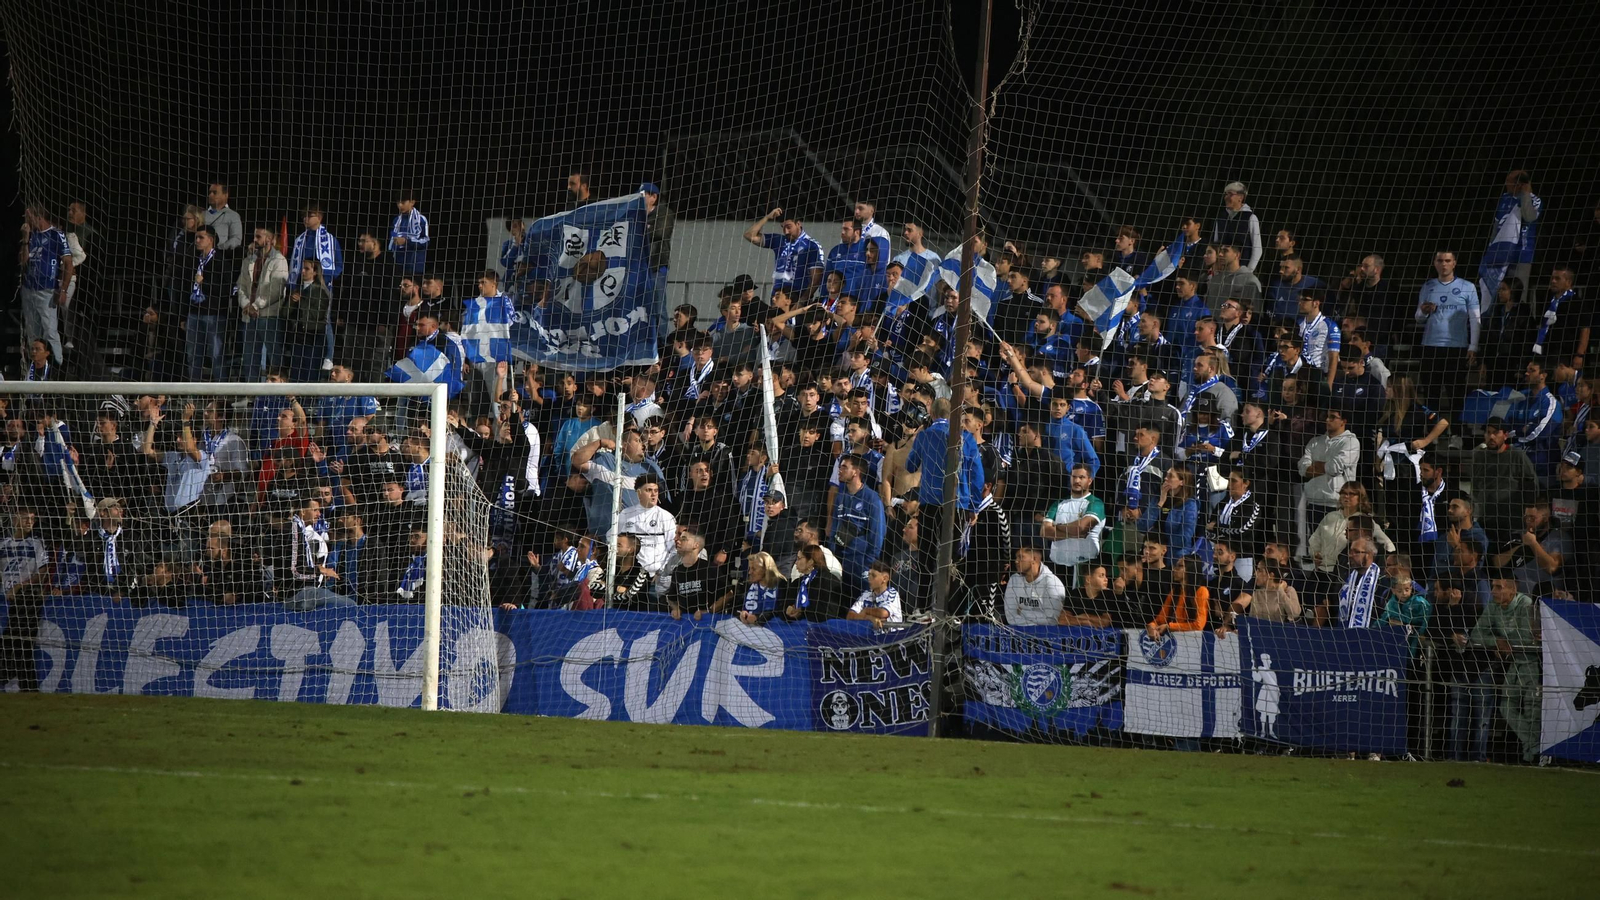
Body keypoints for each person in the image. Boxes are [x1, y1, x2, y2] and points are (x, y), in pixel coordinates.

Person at [1465, 570, 1540, 762]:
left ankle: (1533, 755)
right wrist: (1496, 641)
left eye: (1499, 587)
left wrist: (1504, 642)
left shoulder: (1525, 604)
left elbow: (1526, 638)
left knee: (1532, 709)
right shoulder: (1493, 606)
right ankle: (1533, 746)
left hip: (1532, 664)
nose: (1493, 591)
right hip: (1515, 664)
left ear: (1513, 589)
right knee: (1506, 706)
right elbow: (1475, 634)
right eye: (1492, 586)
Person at [1415, 250, 1481, 415]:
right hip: (1430, 346)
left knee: (1456, 393)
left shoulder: (1467, 287)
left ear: (1454, 263)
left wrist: (1473, 346)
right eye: (1440, 261)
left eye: (1447, 260)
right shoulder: (1428, 286)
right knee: (1431, 394)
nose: (1443, 264)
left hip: (1456, 347)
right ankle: (1433, 434)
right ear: (1434, 263)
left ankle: (1457, 433)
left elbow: (1475, 318)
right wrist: (1423, 311)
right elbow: (1418, 318)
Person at [287, 203, 344, 372]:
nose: (305, 219)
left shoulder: (330, 239)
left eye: (309, 215)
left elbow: (338, 265)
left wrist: (325, 279)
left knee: (323, 319)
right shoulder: (300, 239)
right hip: (303, 285)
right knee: (301, 317)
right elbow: (295, 263)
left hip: (322, 287)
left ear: (319, 217)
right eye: (303, 215)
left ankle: (329, 355)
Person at [1470, 417, 1539, 545]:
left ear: (1505, 435)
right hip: (1486, 518)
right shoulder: (1479, 456)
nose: (1491, 436)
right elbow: (1475, 485)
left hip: (1511, 520)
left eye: (1496, 432)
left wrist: (1530, 506)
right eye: (1488, 432)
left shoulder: (1517, 455)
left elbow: (1531, 482)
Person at [20, 204, 74, 365]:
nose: (26, 221)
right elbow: (22, 262)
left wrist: (63, 289)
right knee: (32, 332)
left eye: (28, 218)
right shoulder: (29, 235)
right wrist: (25, 240)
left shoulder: (56, 235)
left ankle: (57, 366)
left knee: (50, 330)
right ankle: (35, 368)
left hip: (47, 289)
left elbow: (68, 264)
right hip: (28, 289)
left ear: (39, 217)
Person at [1478, 169, 1542, 307]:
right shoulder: (1504, 199)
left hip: (1521, 255)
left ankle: (1519, 324)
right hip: (1499, 254)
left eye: (1510, 181)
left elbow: (1529, 216)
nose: (1506, 184)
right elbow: (1497, 225)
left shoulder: (1534, 199)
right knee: (1498, 293)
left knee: (1517, 295)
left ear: (1519, 184)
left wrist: (1525, 194)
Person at [236, 226, 288, 382]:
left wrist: (256, 305)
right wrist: (246, 304)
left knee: (274, 356)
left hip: (268, 316)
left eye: (258, 237)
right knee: (249, 357)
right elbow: (241, 286)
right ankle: (251, 395)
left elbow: (276, 290)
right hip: (248, 316)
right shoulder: (249, 260)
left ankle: (278, 394)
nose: (255, 240)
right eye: (254, 236)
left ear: (270, 240)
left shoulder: (279, 260)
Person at [1040, 462, 1105, 579]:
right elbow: (1044, 532)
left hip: (1084, 567)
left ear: (1089, 481)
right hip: (1056, 566)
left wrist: (1057, 526)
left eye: (1081, 477)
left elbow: (1081, 528)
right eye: (1074, 477)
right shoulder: (1058, 503)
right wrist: (1074, 532)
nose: (1077, 481)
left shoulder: (1095, 503)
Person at [745, 208, 823, 300]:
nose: (786, 231)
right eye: (783, 227)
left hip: (797, 297)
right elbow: (749, 235)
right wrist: (767, 217)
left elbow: (817, 278)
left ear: (798, 224)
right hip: (776, 297)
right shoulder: (779, 240)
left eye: (789, 227)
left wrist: (803, 300)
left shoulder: (812, 245)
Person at [1003, 545, 1067, 626]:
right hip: (1018, 634)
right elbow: (1010, 617)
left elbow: (1051, 621)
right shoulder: (1014, 580)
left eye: (1021, 557)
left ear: (1034, 559)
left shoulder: (1052, 583)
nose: (1016, 561)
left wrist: (1022, 612)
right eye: (1016, 557)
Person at [1148, 555, 1209, 637]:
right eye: (1175, 565)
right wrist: (1151, 626)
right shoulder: (1174, 592)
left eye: (1180, 566)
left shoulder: (1201, 591)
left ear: (1191, 569)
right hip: (1177, 638)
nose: (1174, 569)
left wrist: (1170, 626)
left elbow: (1198, 625)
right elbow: (1159, 620)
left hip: (1194, 640)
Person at [1230, 559, 1301, 625]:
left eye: (1259, 570)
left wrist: (1280, 590)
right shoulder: (1257, 593)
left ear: (1271, 575)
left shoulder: (1288, 591)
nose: (1255, 574)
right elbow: (1252, 620)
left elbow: (1294, 614)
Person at [1212, 182, 1263, 273]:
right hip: (1222, 271)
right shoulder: (1221, 218)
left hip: (1243, 271)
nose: (1226, 197)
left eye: (1230, 194)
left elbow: (1257, 248)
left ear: (1241, 197)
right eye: (1226, 194)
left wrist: (1248, 270)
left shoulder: (1250, 218)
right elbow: (1216, 244)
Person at [1334, 538, 1382, 628]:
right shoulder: (1345, 576)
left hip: (1370, 635)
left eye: (1356, 552)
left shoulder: (1380, 580)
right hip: (1342, 632)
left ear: (1369, 555)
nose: (1350, 555)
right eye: (1350, 551)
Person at [846, 559, 902, 629]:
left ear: (885, 578)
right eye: (869, 575)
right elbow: (850, 616)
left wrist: (866, 611)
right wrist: (868, 617)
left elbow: (883, 613)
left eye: (873, 575)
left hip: (893, 637)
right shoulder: (866, 594)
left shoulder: (892, 593)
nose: (869, 578)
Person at [388, 191, 431, 274]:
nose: (400, 205)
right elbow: (392, 234)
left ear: (412, 202)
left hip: (415, 265)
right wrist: (395, 238)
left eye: (403, 202)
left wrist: (406, 241)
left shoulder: (421, 219)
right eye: (398, 202)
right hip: (397, 264)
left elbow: (426, 241)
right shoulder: (396, 220)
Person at [203, 181, 242, 252]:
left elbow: (236, 239)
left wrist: (218, 249)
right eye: (209, 192)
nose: (211, 195)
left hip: (221, 256)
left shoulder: (233, 215)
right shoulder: (201, 214)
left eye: (215, 193)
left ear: (225, 195)